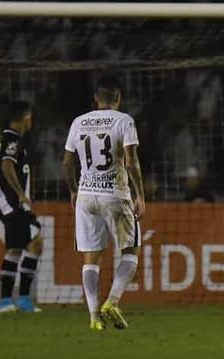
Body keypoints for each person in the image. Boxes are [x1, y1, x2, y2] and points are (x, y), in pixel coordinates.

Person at [62, 76, 146, 330]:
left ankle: (94, 318)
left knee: (91, 259)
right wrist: (140, 194)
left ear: (95, 99)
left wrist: (74, 191)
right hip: (115, 195)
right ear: (118, 98)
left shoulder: (78, 122)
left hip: (86, 196)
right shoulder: (124, 121)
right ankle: (112, 301)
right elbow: (130, 161)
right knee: (130, 252)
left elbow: (67, 163)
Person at [0, 101, 43, 313]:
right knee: (29, 244)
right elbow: (6, 165)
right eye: (30, 116)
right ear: (25, 117)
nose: (31, 120)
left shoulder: (12, 140)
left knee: (24, 246)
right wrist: (22, 195)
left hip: (12, 203)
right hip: (13, 204)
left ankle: (17, 299)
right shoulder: (12, 140)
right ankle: (11, 300)